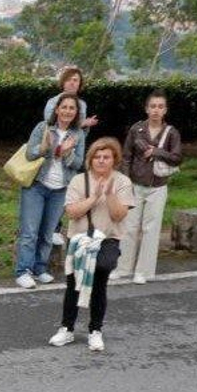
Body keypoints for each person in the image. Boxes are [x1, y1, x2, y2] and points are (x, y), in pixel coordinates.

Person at [49, 138, 134, 353]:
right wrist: (94, 197)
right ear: (90, 159)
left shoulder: (122, 181)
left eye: (106, 157)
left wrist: (110, 194)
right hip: (79, 238)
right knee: (73, 284)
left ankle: (95, 330)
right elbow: (72, 212)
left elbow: (118, 215)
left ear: (114, 159)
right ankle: (67, 328)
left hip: (107, 239)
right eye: (97, 157)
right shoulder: (79, 181)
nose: (101, 161)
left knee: (100, 274)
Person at [13, 94, 86, 289]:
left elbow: (79, 164)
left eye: (72, 108)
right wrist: (44, 147)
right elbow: (29, 154)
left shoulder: (78, 135)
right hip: (37, 186)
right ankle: (23, 271)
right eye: (64, 107)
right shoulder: (42, 127)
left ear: (76, 113)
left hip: (60, 189)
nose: (67, 111)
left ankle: (39, 269)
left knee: (47, 233)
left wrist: (68, 152)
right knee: (29, 232)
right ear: (57, 109)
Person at [115, 91, 182, 285]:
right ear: (146, 108)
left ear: (165, 110)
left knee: (150, 229)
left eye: (160, 106)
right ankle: (123, 267)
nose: (156, 110)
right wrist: (126, 181)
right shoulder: (137, 129)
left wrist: (157, 152)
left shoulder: (171, 133)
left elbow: (177, 157)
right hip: (135, 184)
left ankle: (143, 271)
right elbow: (126, 156)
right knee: (129, 227)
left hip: (158, 186)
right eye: (153, 106)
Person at [42, 66, 99, 130]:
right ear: (63, 83)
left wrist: (87, 124)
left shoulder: (82, 104)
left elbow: (81, 131)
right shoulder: (52, 102)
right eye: (68, 80)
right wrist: (83, 123)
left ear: (79, 84)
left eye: (75, 80)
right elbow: (49, 125)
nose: (72, 83)